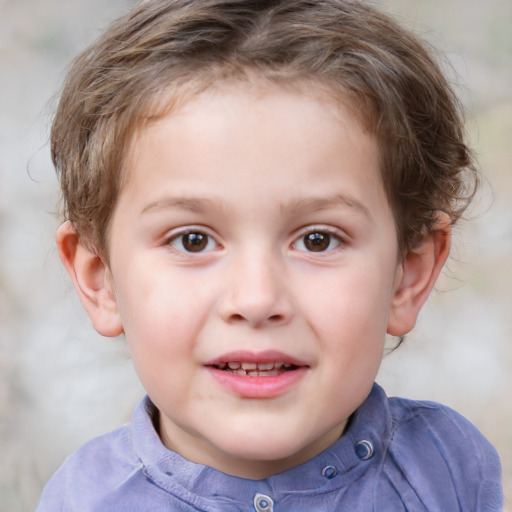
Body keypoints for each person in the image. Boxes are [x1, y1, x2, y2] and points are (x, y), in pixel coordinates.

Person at [36, 0, 503, 510]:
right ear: (100, 278)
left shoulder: (446, 467)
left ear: (407, 276)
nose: (257, 300)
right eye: (193, 240)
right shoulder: (83, 501)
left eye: (317, 240)